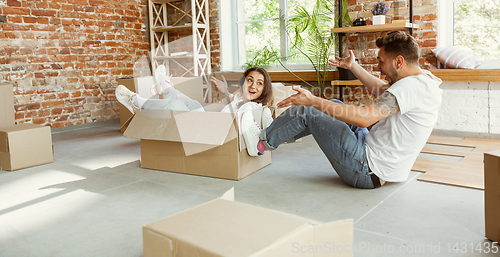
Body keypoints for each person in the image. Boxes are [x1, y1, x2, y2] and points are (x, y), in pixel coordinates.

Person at [241, 31, 443, 188]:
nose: (379, 67)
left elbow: (365, 119)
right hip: (375, 159)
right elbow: (381, 90)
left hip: (367, 169)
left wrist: (313, 100)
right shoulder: (421, 80)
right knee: (336, 105)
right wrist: (353, 67)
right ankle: (277, 132)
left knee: (309, 110)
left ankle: (261, 143)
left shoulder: (411, 87)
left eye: (381, 61)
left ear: (399, 61)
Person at [115, 66, 274, 156]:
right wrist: (225, 91)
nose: (253, 85)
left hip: (210, 130)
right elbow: (231, 99)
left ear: (264, 89)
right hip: (208, 120)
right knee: (192, 103)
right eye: (250, 80)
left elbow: (247, 120)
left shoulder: (253, 107)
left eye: (259, 83)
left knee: (178, 106)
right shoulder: (241, 97)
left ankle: (139, 104)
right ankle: (166, 88)